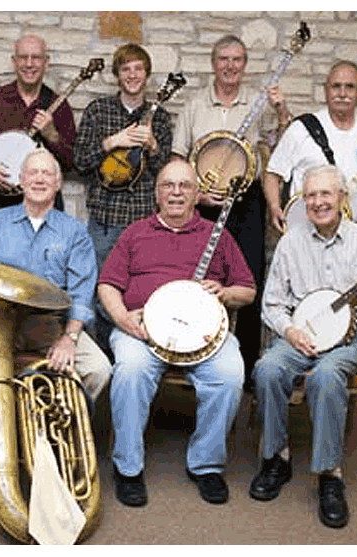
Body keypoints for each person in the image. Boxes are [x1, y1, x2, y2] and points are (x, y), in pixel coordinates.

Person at [0, 149, 111, 471]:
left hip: (52, 327)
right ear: (21, 180)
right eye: (33, 172)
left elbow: (82, 292)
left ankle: (60, 432)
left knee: (99, 370)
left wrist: (70, 338)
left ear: (58, 183)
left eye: (47, 174)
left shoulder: (74, 232)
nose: (40, 179)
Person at [98, 159, 255, 507]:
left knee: (230, 373)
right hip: (141, 330)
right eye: (168, 185)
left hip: (203, 335)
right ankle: (128, 468)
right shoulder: (135, 233)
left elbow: (247, 290)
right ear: (156, 193)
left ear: (197, 194)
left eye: (184, 185)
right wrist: (124, 319)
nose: (176, 192)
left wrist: (225, 293)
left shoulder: (218, 235)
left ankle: (207, 465)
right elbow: (108, 284)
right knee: (131, 372)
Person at [250, 165, 357, 529]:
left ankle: (330, 474)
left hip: (352, 337)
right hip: (304, 334)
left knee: (326, 376)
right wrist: (291, 331)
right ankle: (276, 458)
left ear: (341, 198)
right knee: (267, 369)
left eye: (325, 194)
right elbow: (272, 304)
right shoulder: (290, 242)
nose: (318, 202)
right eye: (311, 195)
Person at [171, 35, 291, 391]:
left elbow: (282, 146)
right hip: (203, 205)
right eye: (223, 58)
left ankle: (251, 372)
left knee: (248, 280)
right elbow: (178, 158)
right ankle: (193, 356)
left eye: (237, 59)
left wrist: (282, 111)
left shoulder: (257, 103)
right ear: (213, 63)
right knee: (196, 279)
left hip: (246, 203)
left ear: (245, 64)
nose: (230, 65)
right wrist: (194, 193)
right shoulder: (194, 106)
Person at [73, 43, 173, 359]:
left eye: (138, 69)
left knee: (141, 292)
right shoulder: (97, 110)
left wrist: (154, 147)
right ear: (117, 75)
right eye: (126, 69)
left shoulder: (160, 118)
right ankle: (101, 362)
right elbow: (79, 161)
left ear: (147, 75)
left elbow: (165, 174)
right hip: (104, 221)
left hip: (144, 221)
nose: (132, 75)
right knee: (99, 292)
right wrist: (111, 142)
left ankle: (138, 358)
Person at [264, 60, 357, 233]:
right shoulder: (301, 129)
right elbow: (272, 173)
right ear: (326, 90)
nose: (342, 93)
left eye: (350, 87)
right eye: (336, 86)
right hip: (304, 232)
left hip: (355, 233)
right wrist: (275, 208)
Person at [0, 35, 76, 218]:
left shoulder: (59, 105)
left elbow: (71, 162)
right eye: (23, 57)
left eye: (36, 58)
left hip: (44, 206)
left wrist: (52, 135)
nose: (29, 64)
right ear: (14, 62)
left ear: (46, 63)